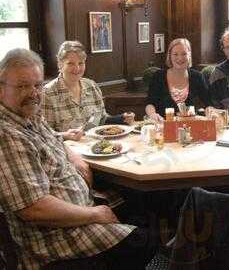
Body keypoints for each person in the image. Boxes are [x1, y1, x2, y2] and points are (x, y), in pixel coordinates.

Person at [0, 48, 157, 269]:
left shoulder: (29, 117)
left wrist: (75, 157)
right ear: (1, 90)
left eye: (36, 85)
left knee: (142, 203)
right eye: (23, 86)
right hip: (56, 238)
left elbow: (54, 138)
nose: (33, 93)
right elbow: (34, 209)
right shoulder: (7, 135)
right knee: (145, 240)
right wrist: (94, 213)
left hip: (79, 208)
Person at [42, 41, 135, 134]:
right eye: (70, 63)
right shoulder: (47, 93)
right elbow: (45, 134)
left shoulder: (92, 86)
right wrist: (65, 135)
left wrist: (121, 118)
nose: (77, 68)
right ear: (60, 64)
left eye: (81, 63)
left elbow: (100, 120)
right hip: (67, 147)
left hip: (96, 146)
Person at [145, 38, 209, 120]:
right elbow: (150, 104)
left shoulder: (197, 76)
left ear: (189, 55)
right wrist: (152, 114)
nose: (180, 58)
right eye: (175, 54)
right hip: (163, 126)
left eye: (184, 54)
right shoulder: (158, 76)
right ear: (170, 56)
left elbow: (208, 103)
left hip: (191, 127)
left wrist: (211, 113)